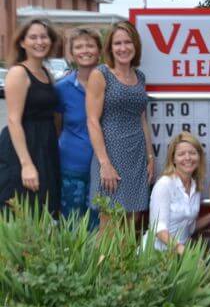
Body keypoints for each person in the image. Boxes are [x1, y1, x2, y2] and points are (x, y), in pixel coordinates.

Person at [87, 21, 154, 229]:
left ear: (135, 46)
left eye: (128, 42)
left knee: (132, 222)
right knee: (110, 225)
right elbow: (92, 121)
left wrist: (150, 156)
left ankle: (122, 263)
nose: (123, 48)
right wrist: (104, 163)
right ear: (110, 47)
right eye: (117, 43)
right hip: (111, 155)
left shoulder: (139, 76)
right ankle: (102, 263)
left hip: (136, 156)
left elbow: (142, 118)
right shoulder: (101, 74)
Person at [0, 18, 60, 215]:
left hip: (45, 146)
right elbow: (13, 121)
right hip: (23, 149)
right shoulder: (18, 73)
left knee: (43, 210)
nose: (39, 42)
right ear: (22, 42)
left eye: (43, 37)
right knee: (21, 211)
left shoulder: (46, 73)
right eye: (33, 37)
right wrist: (26, 165)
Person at [55, 28, 101, 224]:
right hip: (71, 168)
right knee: (71, 227)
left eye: (90, 45)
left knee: (99, 229)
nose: (85, 50)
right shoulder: (61, 88)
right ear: (71, 53)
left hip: (103, 169)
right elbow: (57, 127)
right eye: (79, 47)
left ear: (99, 50)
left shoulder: (110, 84)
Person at [143, 132, 210, 252]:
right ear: (173, 159)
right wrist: (184, 252)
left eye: (192, 153)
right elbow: (159, 230)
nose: (188, 158)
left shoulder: (195, 186)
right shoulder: (164, 184)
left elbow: (189, 228)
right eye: (181, 154)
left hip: (179, 256)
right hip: (156, 255)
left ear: (199, 157)